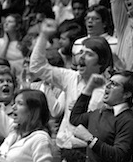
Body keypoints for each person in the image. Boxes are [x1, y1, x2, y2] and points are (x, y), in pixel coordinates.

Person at [29, 19, 113, 149]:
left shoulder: (108, 89)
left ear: (101, 61)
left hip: (87, 151)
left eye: (89, 54)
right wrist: (44, 35)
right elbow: (37, 66)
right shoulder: (70, 77)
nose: (82, 57)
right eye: (81, 52)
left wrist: (83, 108)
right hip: (62, 146)